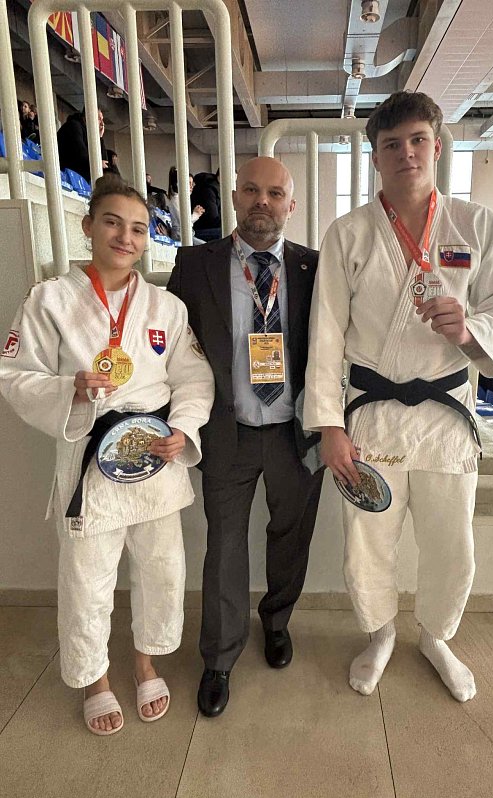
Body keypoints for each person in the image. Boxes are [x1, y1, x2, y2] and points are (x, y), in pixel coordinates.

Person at [304, 91, 493, 702]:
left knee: (452, 541)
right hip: (371, 415)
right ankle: (379, 634)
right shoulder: (348, 233)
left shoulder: (476, 225)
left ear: (437, 145)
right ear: (376, 157)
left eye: (417, 140)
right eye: (392, 144)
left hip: (445, 416)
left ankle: (436, 637)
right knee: (367, 539)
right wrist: (328, 425)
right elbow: (325, 333)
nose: (406, 153)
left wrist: (470, 328)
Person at [0, 174, 215, 736]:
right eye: (113, 223)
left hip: (154, 456)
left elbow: (194, 378)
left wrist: (184, 428)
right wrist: (69, 389)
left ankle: (145, 662)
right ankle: (95, 678)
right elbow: (15, 375)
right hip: (90, 459)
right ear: (88, 226)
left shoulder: (166, 306)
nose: (126, 237)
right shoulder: (49, 299)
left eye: (139, 229)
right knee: (87, 578)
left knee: (162, 569)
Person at [167, 156, 323, 717]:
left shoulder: (313, 268)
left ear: (291, 205)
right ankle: (219, 658)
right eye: (252, 190)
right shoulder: (194, 264)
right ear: (234, 197)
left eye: (275, 193)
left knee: (291, 537)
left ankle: (276, 622)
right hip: (226, 432)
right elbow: (174, 347)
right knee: (225, 547)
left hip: (294, 433)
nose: (263, 201)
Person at [57, 108, 108, 183]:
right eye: (99, 119)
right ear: (88, 117)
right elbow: (81, 156)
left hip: (77, 178)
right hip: (66, 176)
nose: (102, 124)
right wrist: (98, 163)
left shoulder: (87, 134)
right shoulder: (74, 126)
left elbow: (105, 164)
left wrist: (100, 138)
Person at [166, 166, 205, 243]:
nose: (192, 186)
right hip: (180, 237)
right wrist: (196, 214)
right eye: (189, 183)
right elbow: (185, 223)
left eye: (192, 183)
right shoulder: (176, 200)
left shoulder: (181, 199)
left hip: (187, 234)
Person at [190, 169, 221, 240]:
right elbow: (212, 219)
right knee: (228, 232)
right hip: (199, 230)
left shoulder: (214, 187)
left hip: (197, 228)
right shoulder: (208, 190)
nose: (192, 187)